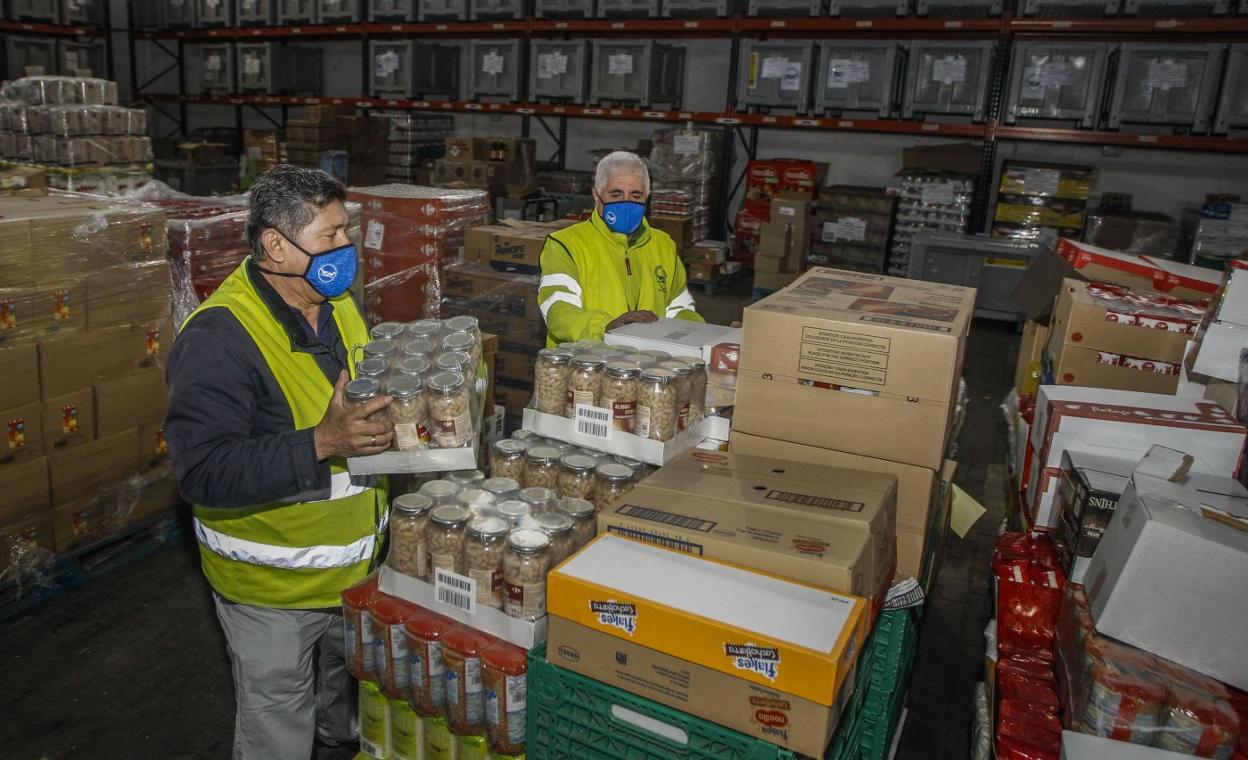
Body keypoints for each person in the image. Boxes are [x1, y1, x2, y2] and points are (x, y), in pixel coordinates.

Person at [164, 165, 393, 760]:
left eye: (347, 233)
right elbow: (203, 471)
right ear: (275, 245)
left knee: (346, 698)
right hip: (272, 589)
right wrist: (322, 442)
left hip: (356, 566)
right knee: (277, 719)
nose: (347, 249)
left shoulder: (337, 301)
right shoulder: (218, 337)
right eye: (331, 236)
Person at [537, 150, 703, 346]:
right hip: (584, 367)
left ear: (647, 196)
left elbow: (678, 307)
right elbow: (558, 311)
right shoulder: (566, 245)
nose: (626, 203)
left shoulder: (663, 245)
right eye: (616, 194)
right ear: (596, 195)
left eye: (635, 195)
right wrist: (606, 327)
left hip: (646, 365)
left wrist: (702, 333)